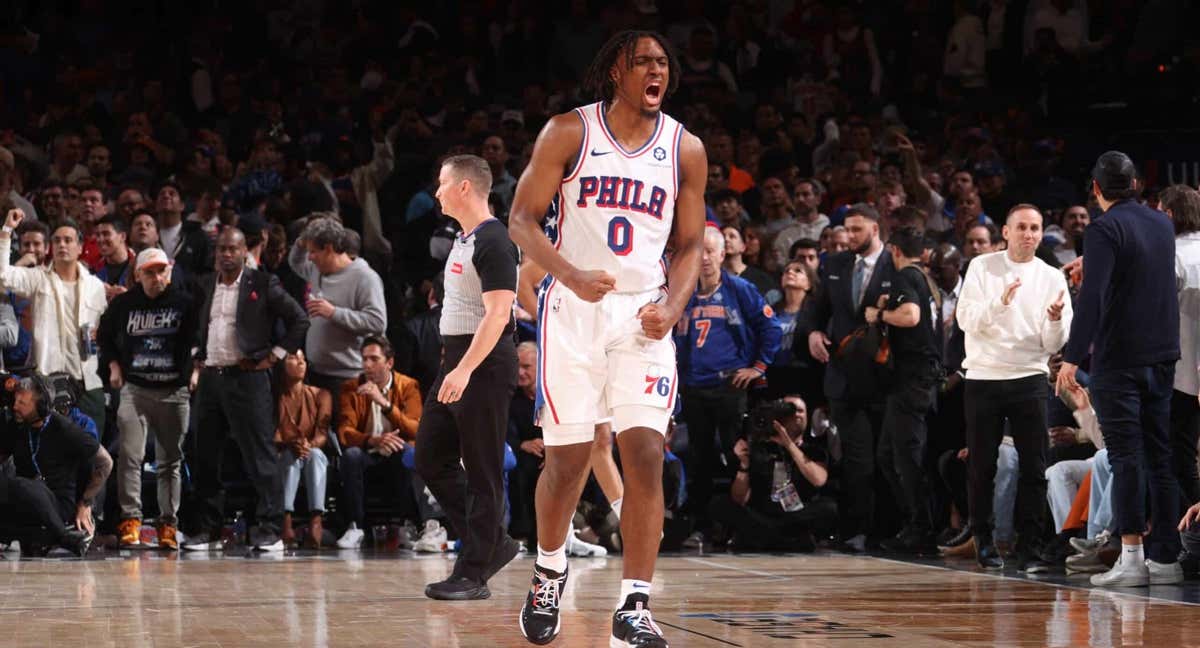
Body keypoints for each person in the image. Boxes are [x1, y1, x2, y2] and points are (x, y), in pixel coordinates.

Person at [508, 30, 706, 647]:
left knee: (644, 452)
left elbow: (692, 243)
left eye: (664, 63)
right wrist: (567, 274)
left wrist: (673, 305)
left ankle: (634, 605)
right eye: (644, 61)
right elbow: (521, 220)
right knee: (566, 464)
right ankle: (549, 570)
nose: (657, 71)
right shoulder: (569, 131)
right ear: (616, 71)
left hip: (642, 314)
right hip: (571, 308)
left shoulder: (685, 147)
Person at [1058, 152, 1183, 587]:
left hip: (1121, 359)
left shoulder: (1103, 227)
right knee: (1160, 455)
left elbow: (1093, 299)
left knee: (1126, 455)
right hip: (1164, 354)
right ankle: (1166, 559)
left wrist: (1072, 357)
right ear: (1135, 184)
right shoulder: (1161, 223)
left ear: (1095, 190)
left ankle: (1131, 557)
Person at [414, 154, 521, 601]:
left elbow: (498, 314)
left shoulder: (495, 241)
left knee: (483, 470)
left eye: (442, 184)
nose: (436, 192)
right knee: (430, 458)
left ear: (463, 188)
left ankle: (473, 572)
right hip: (457, 359)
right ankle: (492, 541)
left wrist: (464, 369)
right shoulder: (465, 237)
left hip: (484, 363)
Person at [958, 204, 1071, 571]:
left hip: (1029, 376)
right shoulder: (982, 267)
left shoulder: (1052, 276)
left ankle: (1029, 545)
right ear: (1005, 232)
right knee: (982, 467)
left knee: (1034, 467)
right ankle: (984, 540)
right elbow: (965, 320)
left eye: (1035, 228)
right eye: (1021, 227)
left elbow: (1054, 343)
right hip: (984, 377)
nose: (1029, 234)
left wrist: (1054, 321)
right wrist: (999, 302)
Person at [182, 227, 309, 553]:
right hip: (211, 377)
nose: (226, 254)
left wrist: (275, 356)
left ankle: (270, 530)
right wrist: (196, 354)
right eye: (221, 249)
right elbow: (197, 325)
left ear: (244, 253)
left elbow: (299, 319)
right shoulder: (205, 284)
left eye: (232, 249)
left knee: (260, 458)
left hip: (247, 377)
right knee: (205, 456)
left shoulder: (263, 284)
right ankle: (208, 529)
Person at [676, 226, 782, 541]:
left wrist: (758, 368)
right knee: (699, 459)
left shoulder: (740, 289)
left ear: (723, 254)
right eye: (700, 251)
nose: (705, 258)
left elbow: (771, 327)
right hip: (693, 388)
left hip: (729, 387)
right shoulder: (682, 291)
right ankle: (702, 525)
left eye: (711, 251)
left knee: (737, 455)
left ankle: (741, 525)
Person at [804, 203, 896, 553]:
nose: (849, 236)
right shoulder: (834, 264)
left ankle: (890, 531)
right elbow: (817, 308)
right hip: (844, 376)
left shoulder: (897, 264)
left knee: (888, 457)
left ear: (875, 229)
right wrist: (813, 332)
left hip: (886, 378)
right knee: (857, 460)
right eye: (848, 229)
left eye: (857, 230)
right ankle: (857, 531)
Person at [99, 248, 199, 550]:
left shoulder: (185, 303)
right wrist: (114, 365)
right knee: (130, 456)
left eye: (162, 271)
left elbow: (199, 340)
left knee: (170, 460)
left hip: (173, 391)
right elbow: (103, 336)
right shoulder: (125, 304)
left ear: (169, 272)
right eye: (150, 272)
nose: (157, 278)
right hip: (136, 389)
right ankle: (131, 519)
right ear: (137, 275)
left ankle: (168, 523)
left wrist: (196, 369)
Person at [864, 226, 942, 554]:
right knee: (889, 455)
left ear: (894, 250)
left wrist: (879, 313)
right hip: (917, 380)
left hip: (912, 380)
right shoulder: (926, 279)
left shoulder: (905, 277)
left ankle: (922, 528)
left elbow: (910, 316)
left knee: (905, 458)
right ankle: (915, 523)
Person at [0, 209, 109, 430]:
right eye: (57, 240)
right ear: (50, 247)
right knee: (52, 454)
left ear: (80, 247)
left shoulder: (96, 286)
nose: (62, 245)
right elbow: (3, 275)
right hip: (48, 381)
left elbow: (104, 330)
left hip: (88, 381)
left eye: (68, 240)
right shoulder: (38, 278)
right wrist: (6, 231)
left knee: (90, 450)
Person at [708, 395, 835, 551]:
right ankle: (779, 539)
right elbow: (739, 498)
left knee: (828, 507)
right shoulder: (757, 448)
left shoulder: (814, 451)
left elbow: (819, 480)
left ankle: (770, 539)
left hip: (795, 516)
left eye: (801, 411)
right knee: (719, 504)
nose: (796, 415)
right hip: (762, 516)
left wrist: (789, 444)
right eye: (791, 411)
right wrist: (744, 465)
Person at [0, 377, 109, 556]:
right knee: (15, 485)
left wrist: (85, 503)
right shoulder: (17, 426)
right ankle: (55, 538)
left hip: (58, 504)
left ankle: (63, 536)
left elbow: (105, 462)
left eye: (22, 403)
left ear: (41, 406)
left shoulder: (65, 428)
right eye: (15, 401)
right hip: (28, 504)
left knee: (25, 484)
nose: (15, 407)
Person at [287, 216, 387, 410]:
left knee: (345, 438)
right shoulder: (317, 270)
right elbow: (295, 262)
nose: (309, 257)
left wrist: (333, 312)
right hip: (316, 372)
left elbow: (377, 322)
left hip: (347, 377)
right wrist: (302, 241)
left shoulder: (365, 278)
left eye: (313, 251)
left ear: (329, 249)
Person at [336, 336, 422, 549]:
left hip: (396, 452)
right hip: (368, 452)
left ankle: (407, 525)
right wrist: (373, 440)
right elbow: (344, 432)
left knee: (408, 451)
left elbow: (415, 429)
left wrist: (384, 404)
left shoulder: (408, 385)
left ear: (389, 363)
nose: (367, 364)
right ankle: (356, 527)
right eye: (364, 359)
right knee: (350, 456)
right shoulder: (351, 387)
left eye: (374, 359)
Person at [1160, 185, 1200, 510]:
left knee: (1178, 456)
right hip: (1186, 373)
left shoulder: (1170, 256)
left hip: (1181, 377)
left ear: (1169, 214)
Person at [275, 350, 331, 549]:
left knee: (316, 456)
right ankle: (285, 519)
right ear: (281, 364)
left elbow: (323, 433)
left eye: (303, 359)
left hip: (309, 449)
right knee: (289, 459)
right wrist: (290, 443)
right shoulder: (274, 395)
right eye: (293, 358)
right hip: (281, 450)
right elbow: (270, 433)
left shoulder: (321, 394)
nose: (300, 362)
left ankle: (316, 519)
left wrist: (309, 445)